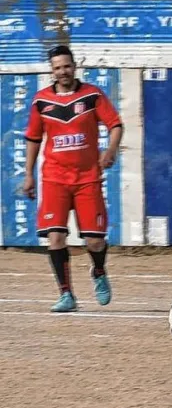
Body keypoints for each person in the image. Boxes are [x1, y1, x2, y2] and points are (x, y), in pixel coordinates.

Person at [22, 45, 123, 313]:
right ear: (51, 71)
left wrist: (110, 150)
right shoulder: (41, 101)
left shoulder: (92, 95)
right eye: (57, 68)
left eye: (66, 66)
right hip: (54, 179)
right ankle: (66, 295)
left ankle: (99, 271)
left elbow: (115, 125)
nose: (62, 71)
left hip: (87, 178)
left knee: (94, 241)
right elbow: (33, 138)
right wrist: (28, 174)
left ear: (74, 66)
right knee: (55, 238)